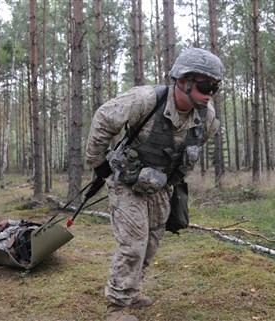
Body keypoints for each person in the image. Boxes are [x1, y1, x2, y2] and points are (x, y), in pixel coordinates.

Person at [85, 48, 224, 321]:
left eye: (215, 86)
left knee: (150, 243)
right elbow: (103, 118)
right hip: (127, 183)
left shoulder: (206, 119)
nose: (210, 91)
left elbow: (191, 148)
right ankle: (116, 307)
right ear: (183, 81)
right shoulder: (146, 100)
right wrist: (98, 163)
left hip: (161, 187)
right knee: (134, 244)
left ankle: (132, 290)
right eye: (205, 84)